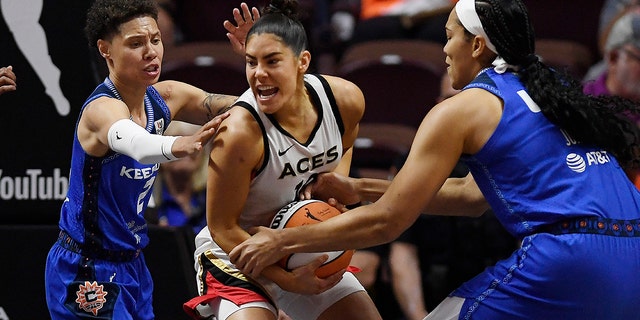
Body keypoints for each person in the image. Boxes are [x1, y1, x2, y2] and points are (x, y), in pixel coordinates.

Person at [229, 0, 640, 318]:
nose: (443, 49)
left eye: (449, 36)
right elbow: (471, 195)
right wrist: (359, 187)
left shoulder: (466, 106)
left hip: (569, 259)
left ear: (476, 45)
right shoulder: (553, 96)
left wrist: (280, 241)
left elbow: (387, 221)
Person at [43, 0, 247, 318]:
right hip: (86, 265)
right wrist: (178, 143)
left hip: (133, 264)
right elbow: (135, 142)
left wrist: (254, 58)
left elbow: (245, 108)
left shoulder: (164, 97)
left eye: (155, 40)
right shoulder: (101, 109)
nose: (150, 51)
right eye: (136, 43)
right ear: (105, 49)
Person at [182, 1, 382, 319]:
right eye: (251, 62)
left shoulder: (344, 100)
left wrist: (331, 190)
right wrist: (286, 280)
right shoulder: (237, 133)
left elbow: (342, 149)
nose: (259, 74)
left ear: (302, 62)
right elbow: (222, 226)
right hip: (237, 252)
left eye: (272, 61)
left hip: (300, 243)